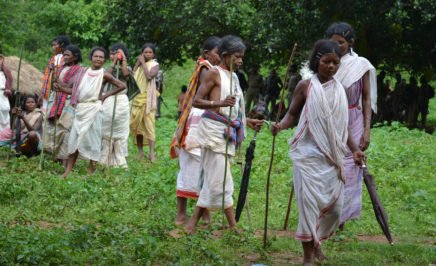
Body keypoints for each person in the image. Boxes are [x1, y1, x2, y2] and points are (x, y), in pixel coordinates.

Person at [271, 39, 365, 265]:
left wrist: (355, 149)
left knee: (335, 209)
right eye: (326, 62)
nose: (331, 66)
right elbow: (292, 115)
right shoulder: (306, 86)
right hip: (307, 157)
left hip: (332, 159)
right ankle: (308, 258)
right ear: (316, 62)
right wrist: (280, 126)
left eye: (335, 62)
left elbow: (340, 129)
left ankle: (317, 241)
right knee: (308, 209)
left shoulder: (340, 91)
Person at [185, 35, 263, 234]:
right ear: (225, 55)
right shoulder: (213, 73)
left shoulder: (235, 77)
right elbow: (196, 101)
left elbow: (234, 110)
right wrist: (218, 104)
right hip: (212, 132)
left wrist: (248, 122)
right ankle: (232, 226)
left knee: (215, 179)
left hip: (227, 134)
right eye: (236, 57)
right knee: (221, 180)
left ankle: (192, 225)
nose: (240, 61)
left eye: (242, 57)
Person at [326, 22, 377, 229]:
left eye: (341, 43)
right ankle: (327, 214)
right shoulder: (326, 62)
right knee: (329, 164)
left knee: (349, 167)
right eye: (333, 43)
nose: (337, 47)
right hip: (330, 119)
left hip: (353, 117)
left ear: (350, 42)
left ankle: (342, 219)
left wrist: (367, 129)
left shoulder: (360, 65)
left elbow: (366, 99)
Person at [170, 36, 221, 226]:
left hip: (207, 118)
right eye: (217, 52)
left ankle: (204, 214)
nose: (219, 56)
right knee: (191, 167)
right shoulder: (206, 69)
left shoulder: (214, 70)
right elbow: (205, 96)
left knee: (204, 168)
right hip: (198, 121)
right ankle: (182, 215)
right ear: (207, 53)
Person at [60, 47, 126, 178]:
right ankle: (67, 171)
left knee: (94, 141)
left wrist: (105, 95)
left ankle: (91, 172)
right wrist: (59, 87)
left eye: (101, 57)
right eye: (96, 56)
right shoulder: (82, 72)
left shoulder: (104, 74)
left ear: (104, 60)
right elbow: (72, 90)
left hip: (94, 110)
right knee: (74, 139)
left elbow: (122, 86)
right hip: (81, 110)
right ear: (91, 58)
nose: (98, 59)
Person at [99, 43, 131, 168]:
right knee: (106, 128)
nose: (114, 55)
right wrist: (113, 63)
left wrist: (123, 60)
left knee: (120, 130)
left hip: (121, 101)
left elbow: (126, 74)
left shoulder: (128, 68)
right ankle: (104, 158)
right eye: (112, 53)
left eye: (116, 53)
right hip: (108, 99)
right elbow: (106, 77)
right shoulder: (107, 68)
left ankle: (119, 159)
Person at [51, 45, 82, 166]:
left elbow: (68, 86)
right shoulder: (61, 68)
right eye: (64, 55)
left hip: (69, 102)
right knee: (56, 128)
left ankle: (65, 160)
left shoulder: (78, 70)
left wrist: (57, 79)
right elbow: (55, 84)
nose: (65, 57)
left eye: (68, 55)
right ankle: (56, 157)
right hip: (57, 101)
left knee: (66, 130)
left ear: (75, 57)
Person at [130, 43, 160, 162]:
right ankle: (140, 152)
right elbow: (132, 76)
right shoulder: (140, 63)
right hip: (137, 98)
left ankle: (152, 153)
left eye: (150, 52)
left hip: (147, 99)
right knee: (137, 126)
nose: (147, 54)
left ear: (153, 54)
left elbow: (149, 77)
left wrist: (142, 63)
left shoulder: (155, 65)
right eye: (145, 52)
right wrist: (138, 62)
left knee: (149, 125)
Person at [41, 35, 70, 155]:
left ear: (62, 45)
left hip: (58, 94)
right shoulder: (53, 58)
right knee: (45, 119)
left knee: (56, 121)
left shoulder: (64, 59)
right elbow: (47, 77)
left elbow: (62, 76)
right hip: (48, 94)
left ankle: (55, 148)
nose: (53, 47)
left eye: (55, 44)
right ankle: (46, 146)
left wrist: (55, 70)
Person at [0, 47, 13, 131]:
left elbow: (10, 78)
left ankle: (4, 134)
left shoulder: (5, 69)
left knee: (4, 110)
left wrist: (7, 88)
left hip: (1, 93)